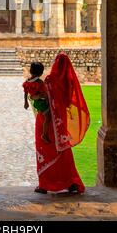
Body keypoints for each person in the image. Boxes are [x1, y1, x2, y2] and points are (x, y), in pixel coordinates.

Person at [24, 52, 90, 195]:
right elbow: (67, 101)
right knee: (63, 151)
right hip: (60, 121)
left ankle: (45, 184)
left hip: (46, 120)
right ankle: (71, 182)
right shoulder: (68, 82)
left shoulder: (50, 80)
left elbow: (37, 96)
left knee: (45, 148)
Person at [23, 62, 51, 142]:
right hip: (41, 102)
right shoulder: (39, 83)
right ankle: (44, 134)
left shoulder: (27, 82)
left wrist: (26, 102)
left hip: (36, 103)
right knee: (47, 117)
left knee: (44, 116)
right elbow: (44, 94)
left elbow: (25, 93)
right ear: (41, 73)